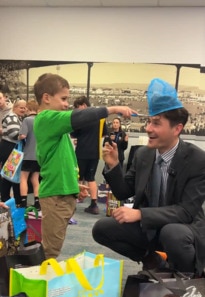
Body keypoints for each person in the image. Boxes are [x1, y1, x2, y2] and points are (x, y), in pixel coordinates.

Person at [92, 78, 205, 276]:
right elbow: (124, 192)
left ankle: (188, 277)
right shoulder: (144, 155)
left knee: (173, 234)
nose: (148, 128)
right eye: (148, 121)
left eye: (156, 123)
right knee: (101, 228)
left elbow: (186, 212)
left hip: (184, 229)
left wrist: (142, 214)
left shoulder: (197, 160)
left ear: (177, 129)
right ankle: (152, 260)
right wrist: (113, 165)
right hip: (150, 228)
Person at [33, 73, 137, 259]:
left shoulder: (54, 126)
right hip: (56, 196)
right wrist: (113, 108)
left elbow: (61, 162)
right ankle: (41, 285)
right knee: (50, 252)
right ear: (46, 98)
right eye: (63, 98)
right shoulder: (46, 118)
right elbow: (81, 116)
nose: (67, 104)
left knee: (53, 248)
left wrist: (74, 186)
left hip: (61, 193)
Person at [71, 95, 108, 215]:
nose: (77, 110)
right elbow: (103, 135)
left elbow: (73, 134)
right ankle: (94, 204)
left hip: (81, 151)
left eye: (77, 107)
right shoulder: (101, 118)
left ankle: (75, 202)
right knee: (91, 178)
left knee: (78, 177)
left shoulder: (81, 118)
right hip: (95, 153)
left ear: (84, 105)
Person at [0, 99, 27, 205]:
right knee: (9, 175)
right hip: (10, 148)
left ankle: (11, 199)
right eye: (21, 107)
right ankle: (6, 199)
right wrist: (24, 135)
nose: (23, 109)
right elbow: (13, 134)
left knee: (12, 175)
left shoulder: (17, 118)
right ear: (15, 107)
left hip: (13, 148)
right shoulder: (12, 117)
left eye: (24, 108)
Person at [18, 99, 41, 210]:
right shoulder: (41, 120)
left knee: (23, 178)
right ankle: (37, 202)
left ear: (29, 108)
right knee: (35, 179)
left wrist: (18, 136)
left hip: (28, 155)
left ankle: (23, 202)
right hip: (39, 156)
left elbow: (23, 136)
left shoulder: (27, 120)